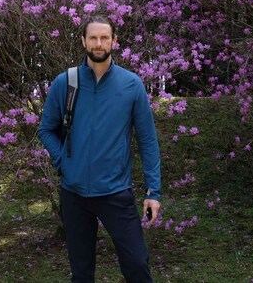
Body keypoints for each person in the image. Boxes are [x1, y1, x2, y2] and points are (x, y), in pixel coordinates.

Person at [39, 15, 162, 283]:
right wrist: (63, 162)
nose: (98, 43)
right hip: (74, 195)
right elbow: (45, 129)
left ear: (114, 41)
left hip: (116, 193)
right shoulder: (66, 83)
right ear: (83, 41)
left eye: (104, 37)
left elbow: (148, 140)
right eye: (93, 37)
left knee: (137, 265)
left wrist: (153, 191)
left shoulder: (131, 85)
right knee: (81, 273)